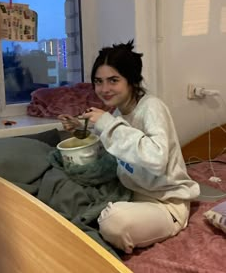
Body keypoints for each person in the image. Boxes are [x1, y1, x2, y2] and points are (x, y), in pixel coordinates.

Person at [58, 40, 200, 254]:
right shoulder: (118, 113)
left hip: (165, 204)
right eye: (98, 81)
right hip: (130, 194)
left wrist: (106, 123)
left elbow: (156, 158)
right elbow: (118, 141)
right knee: (73, 195)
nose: (104, 89)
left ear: (131, 81)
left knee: (114, 222)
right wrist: (80, 127)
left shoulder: (151, 108)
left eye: (113, 80)